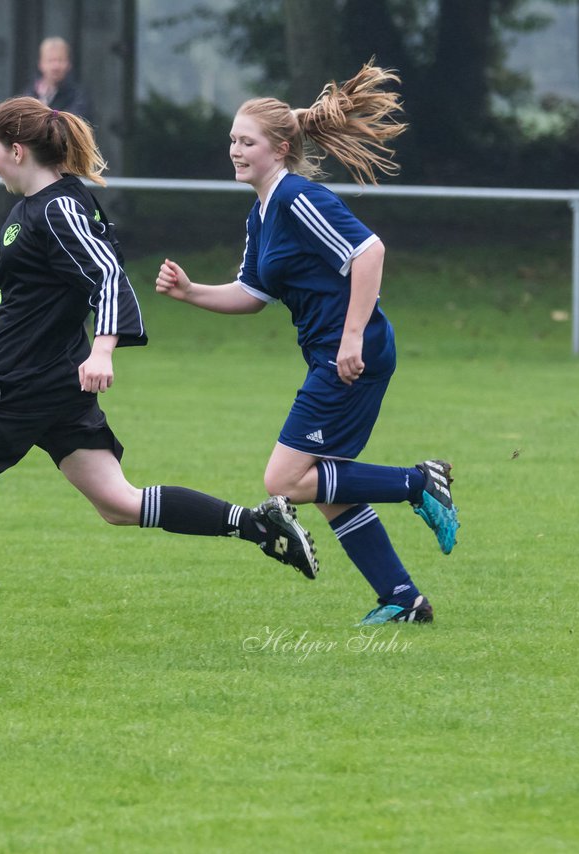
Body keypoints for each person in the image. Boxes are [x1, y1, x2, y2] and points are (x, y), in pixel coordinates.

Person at [0, 96, 318, 658]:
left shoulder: (55, 209)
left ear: (17, 151)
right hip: (52, 385)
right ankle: (257, 526)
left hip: (16, 389)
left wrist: (104, 349)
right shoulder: (42, 206)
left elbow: (109, 276)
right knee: (119, 503)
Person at [153, 61, 460, 626]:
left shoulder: (298, 198)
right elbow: (251, 292)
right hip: (336, 353)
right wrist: (191, 292)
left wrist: (349, 340)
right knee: (326, 483)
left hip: (351, 354)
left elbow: (370, 252)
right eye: (231, 141)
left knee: (285, 480)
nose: (234, 151)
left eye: (246, 141)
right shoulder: (262, 213)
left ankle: (421, 482)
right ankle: (403, 599)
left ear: (280, 147)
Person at [26, 37, 93, 123]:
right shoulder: (30, 95)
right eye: (50, 61)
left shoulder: (78, 97)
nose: (55, 66)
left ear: (69, 64)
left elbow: (72, 125)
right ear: (40, 64)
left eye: (60, 60)